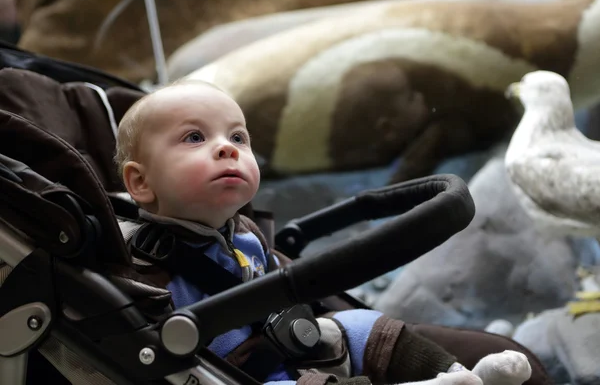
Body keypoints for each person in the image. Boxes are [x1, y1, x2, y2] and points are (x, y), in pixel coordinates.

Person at [114, 79, 532, 385]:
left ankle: (460, 376)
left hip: (283, 343)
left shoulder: (244, 234)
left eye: (238, 137)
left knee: (365, 326)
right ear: (141, 184)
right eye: (194, 137)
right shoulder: (139, 262)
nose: (227, 148)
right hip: (231, 373)